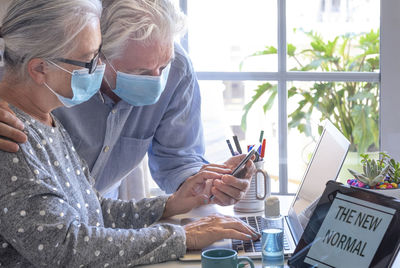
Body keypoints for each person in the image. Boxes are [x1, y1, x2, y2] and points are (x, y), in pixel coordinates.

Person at [0, 0, 260, 267]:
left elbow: (94, 210)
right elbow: (64, 247)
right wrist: (181, 237)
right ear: (40, 68)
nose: (97, 67)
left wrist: (169, 205)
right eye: (90, 60)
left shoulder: (47, 120)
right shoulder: (12, 138)